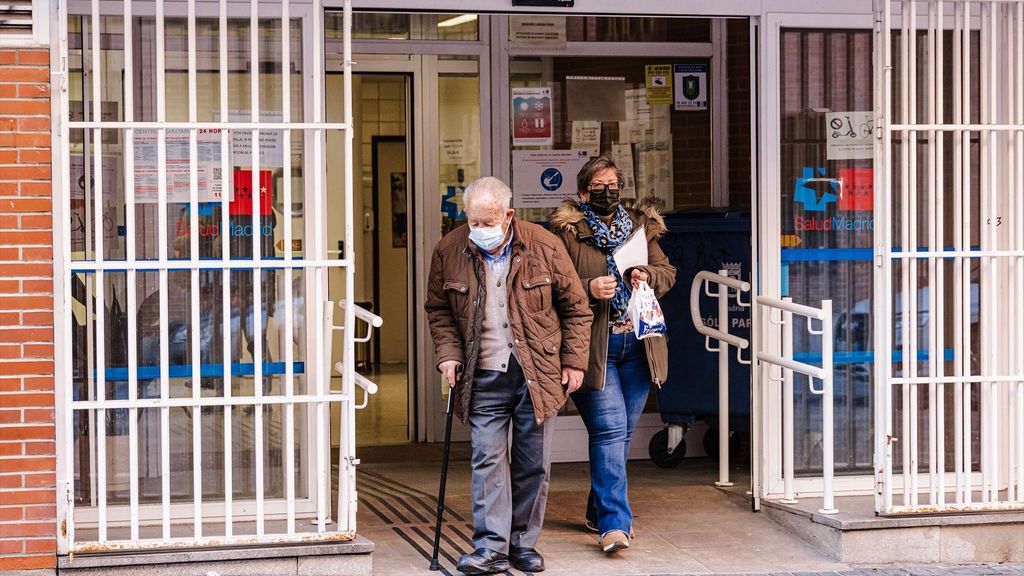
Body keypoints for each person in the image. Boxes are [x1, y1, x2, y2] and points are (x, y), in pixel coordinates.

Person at [425, 176, 593, 575]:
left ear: (508, 215)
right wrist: (448, 355)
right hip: (482, 373)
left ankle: (521, 543)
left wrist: (574, 362)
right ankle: (490, 548)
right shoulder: (449, 249)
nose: (479, 231)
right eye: (473, 222)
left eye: (488, 222)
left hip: (537, 371)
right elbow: (439, 310)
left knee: (533, 463)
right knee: (487, 460)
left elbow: (577, 309)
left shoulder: (544, 245)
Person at [548, 154, 676, 554]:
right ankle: (615, 525)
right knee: (608, 430)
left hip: (638, 344)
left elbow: (667, 272)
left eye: (614, 184)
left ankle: (598, 509)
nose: (609, 192)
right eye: (600, 186)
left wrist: (647, 275)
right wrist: (588, 287)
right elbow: (552, 285)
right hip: (592, 346)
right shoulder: (567, 233)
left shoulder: (640, 227)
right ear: (584, 191)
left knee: (620, 434)